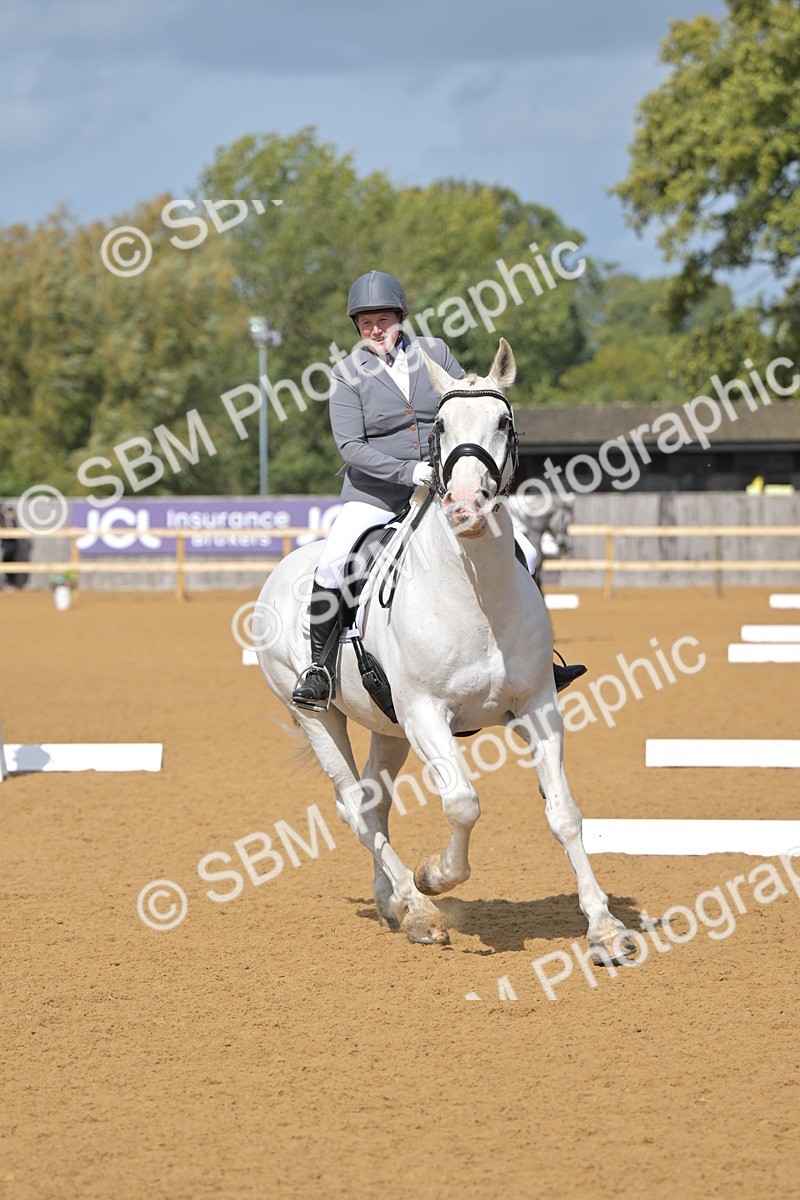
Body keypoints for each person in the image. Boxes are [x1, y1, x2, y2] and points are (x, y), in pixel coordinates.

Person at [291, 271, 584, 710]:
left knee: (525, 548)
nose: (376, 330)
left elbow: (462, 402)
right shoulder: (348, 373)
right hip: (374, 495)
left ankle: (539, 661)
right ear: (357, 326)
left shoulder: (433, 353)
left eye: (384, 320)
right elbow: (351, 447)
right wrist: (408, 471)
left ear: (400, 318)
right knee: (334, 564)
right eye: (366, 323)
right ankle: (319, 668)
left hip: (442, 491)